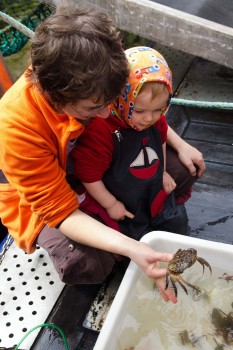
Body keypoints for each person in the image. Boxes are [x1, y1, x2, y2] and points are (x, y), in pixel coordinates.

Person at [0, 4, 178, 303]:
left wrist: (179, 143)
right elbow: (60, 211)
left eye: (110, 100)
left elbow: (139, 109)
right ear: (54, 96)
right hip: (42, 199)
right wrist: (131, 248)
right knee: (84, 262)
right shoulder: (17, 128)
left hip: (88, 165)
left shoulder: (93, 73)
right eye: (93, 108)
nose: (107, 113)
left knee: (181, 170)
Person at [72, 46, 206, 239]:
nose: (149, 118)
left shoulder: (155, 117)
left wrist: (162, 172)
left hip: (148, 186)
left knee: (176, 222)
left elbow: (160, 140)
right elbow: (89, 175)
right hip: (119, 193)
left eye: (159, 109)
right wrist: (110, 204)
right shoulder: (100, 130)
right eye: (140, 111)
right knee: (130, 234)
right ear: (121, 98)